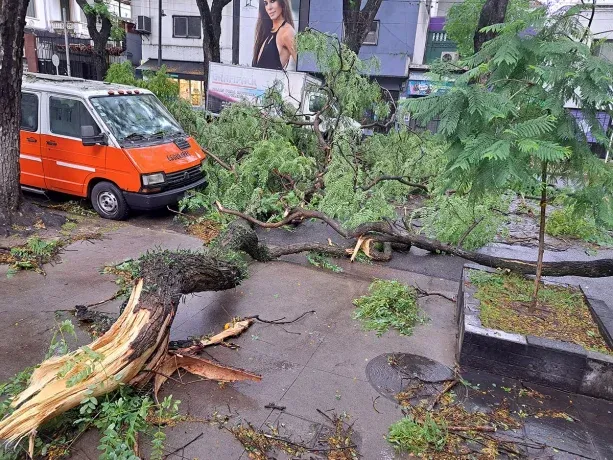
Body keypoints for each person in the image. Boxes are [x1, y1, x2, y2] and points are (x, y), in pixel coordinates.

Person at [252, 0, 297, 70]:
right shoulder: (265, 31)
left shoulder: (287, 32)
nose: (269, 8)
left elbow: (304, 65)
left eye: (272, 1)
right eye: (266, 3)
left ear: (282, 2)